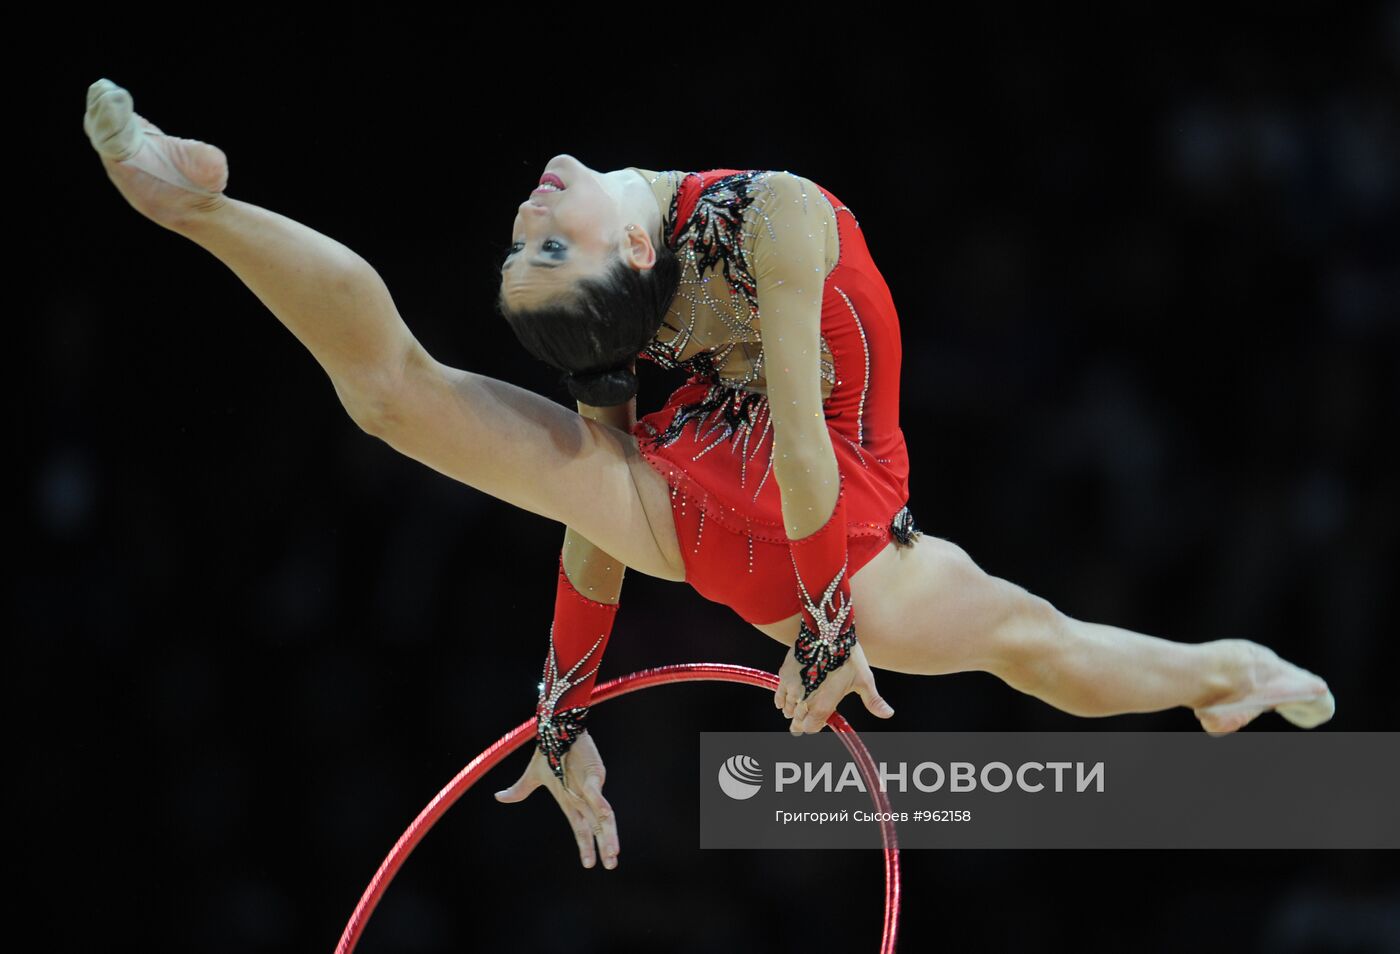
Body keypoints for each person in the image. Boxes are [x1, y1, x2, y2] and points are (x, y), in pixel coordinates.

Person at [83, 78, 1336, 875]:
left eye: (534, 240)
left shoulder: (776, 220)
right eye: (539, 239)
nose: (532, 208)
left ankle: (1219, 674)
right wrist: (562, 700)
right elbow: (593, 499)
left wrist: (830, 623)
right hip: (728, 520)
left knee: (1036, 644)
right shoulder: (615, 307)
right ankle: (190, 203)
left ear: (636, 249)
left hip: (834, 509)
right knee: (390, 397)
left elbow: (801, 438)